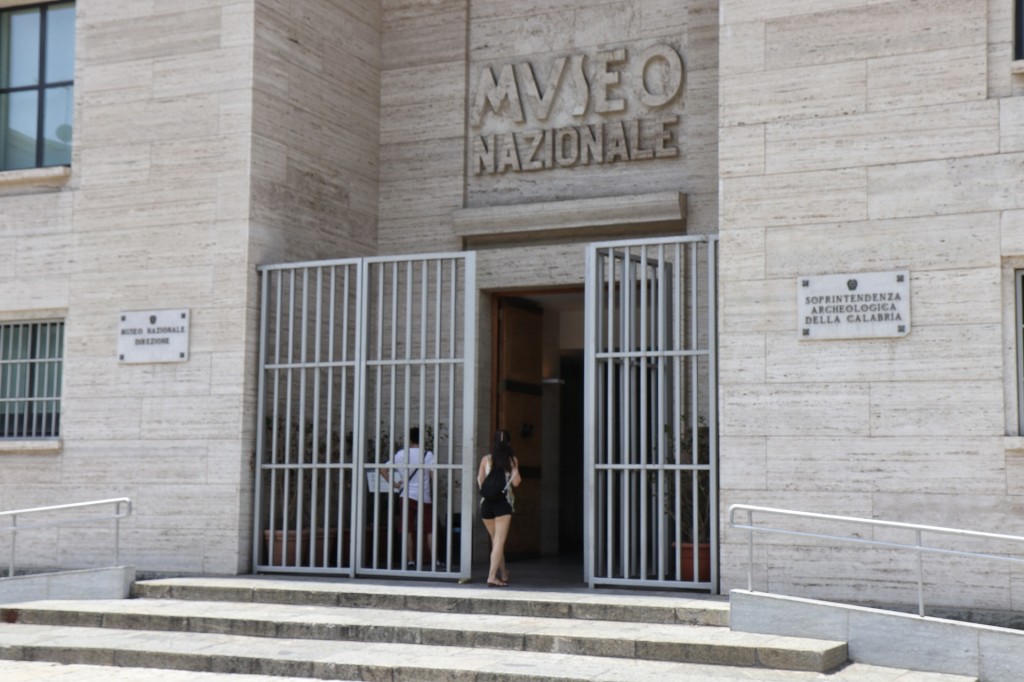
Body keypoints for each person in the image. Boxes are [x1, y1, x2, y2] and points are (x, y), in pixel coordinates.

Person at [382, 426, 435, 569]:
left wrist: (395, 484)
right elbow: (433, 475)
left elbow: (383, 469)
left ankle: (411, 561)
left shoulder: (401, 454)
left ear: (410, 440)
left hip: (406, 495)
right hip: (424, 496)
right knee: (429, 528)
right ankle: (434, 560)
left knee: (407, 528)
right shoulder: (428, 455)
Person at [477, 429, 521, 587]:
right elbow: (516, 482)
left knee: (496, 541)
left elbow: (480, 480)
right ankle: (491, 577)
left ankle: (503, 573)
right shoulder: (511, 460)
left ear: (494, 443)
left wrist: (490, 490)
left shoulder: (486, 459)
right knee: (499, 542)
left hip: (486, 504)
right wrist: (514, 469)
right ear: (509, 443)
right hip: (502, 504)